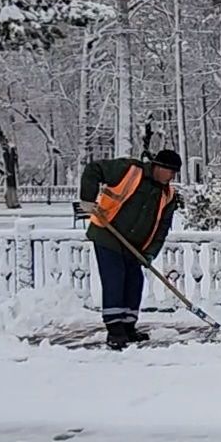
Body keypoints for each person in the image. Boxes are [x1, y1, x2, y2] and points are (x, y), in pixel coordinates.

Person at [78, 150, 182, 349]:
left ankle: (128, 326)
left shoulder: (168, 194)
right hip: (107, 235)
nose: (172, 177)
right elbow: (94, 169)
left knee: (134, 283)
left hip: (135, 247)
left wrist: (150, 252)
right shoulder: (130, 170)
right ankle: (115, 330)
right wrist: (88, 198)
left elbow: (162, 228)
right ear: (159, 167)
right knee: (115, 279)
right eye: (171, 172)